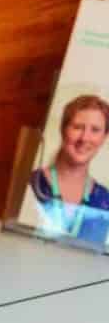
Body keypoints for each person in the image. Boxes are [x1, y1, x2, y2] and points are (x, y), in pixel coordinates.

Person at [26, 93, 109, 244]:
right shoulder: (31, 185)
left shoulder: (105, 201)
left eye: (95, 130)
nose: (84, 138)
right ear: (63, 129)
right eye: (77, 127)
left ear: (104, 137)